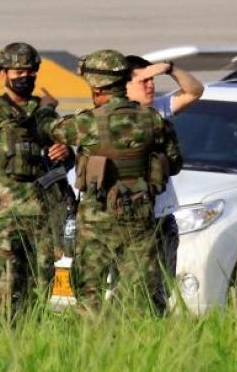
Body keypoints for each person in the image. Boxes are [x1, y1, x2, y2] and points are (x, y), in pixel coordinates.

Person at [52, 50, 182, 312]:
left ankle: (94, 343)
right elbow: (175, 163)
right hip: (139, 218)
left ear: (98, 86)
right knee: (139, 294)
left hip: (96, 219)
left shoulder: (87, 122)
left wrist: (45, 110)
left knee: (90, 293)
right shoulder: (152, 119)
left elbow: (53, 129)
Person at [0, 41, 69, 313]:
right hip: (4, 213)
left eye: (30, 71)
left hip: (42, 213)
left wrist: (64, 151)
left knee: (43, 282)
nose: (25, 77)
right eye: (17, 71)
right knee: (7, 285)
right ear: (3, 73)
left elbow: (64, 163)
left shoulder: (45, 112)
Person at [124, 54, 203, 309]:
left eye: (152, 80)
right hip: (133, 219)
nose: (150, 86)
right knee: (132, 288)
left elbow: (194, 90)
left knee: (161, 288)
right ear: (124, 86)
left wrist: (169, 68)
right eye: (143, 81)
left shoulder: (159, 108)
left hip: (163, 215)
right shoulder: (113, 121)